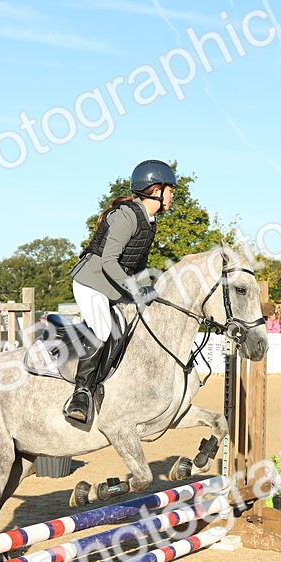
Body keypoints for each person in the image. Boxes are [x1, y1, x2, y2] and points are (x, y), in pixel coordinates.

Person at [64, 159, 176, 423]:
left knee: (134, 325)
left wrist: (149, 289)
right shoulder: (126, 215)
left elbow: (137, 263)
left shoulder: (149, 221)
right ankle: (81, 392)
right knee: (104, 329)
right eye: (170, 189)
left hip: (112, 285)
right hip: (91, 282)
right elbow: (108, 262)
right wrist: (136, 291)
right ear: (155, 189)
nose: (173, 195)